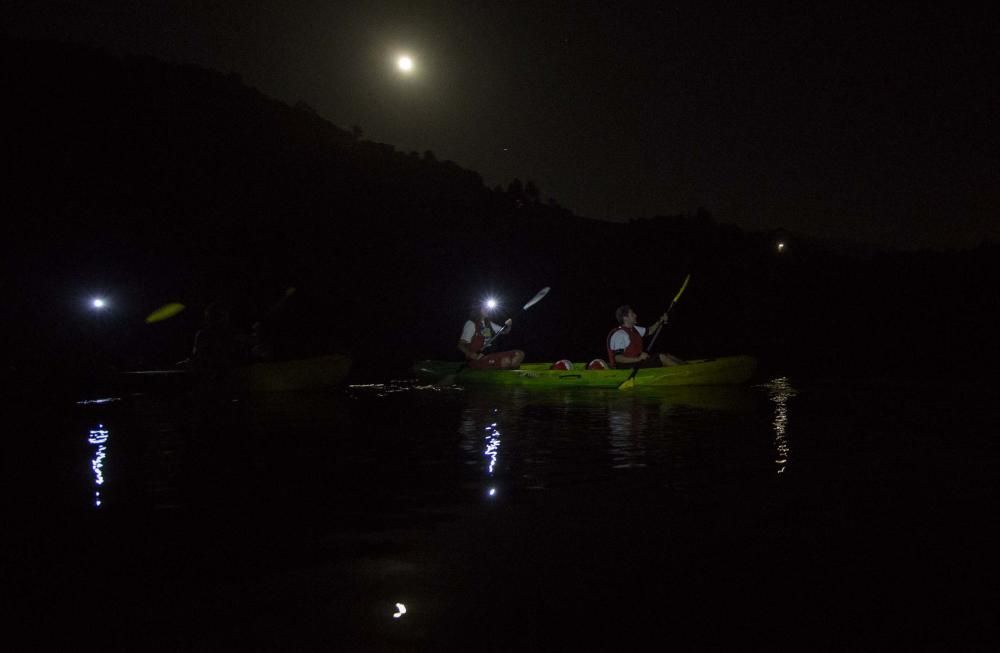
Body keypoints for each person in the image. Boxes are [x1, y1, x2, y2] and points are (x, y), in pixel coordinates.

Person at [607, 304, 685, 368]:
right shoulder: (620, 334)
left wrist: (660, 321)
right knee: (661, 357)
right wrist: (638, 358)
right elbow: (618, 358)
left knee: (667, 355)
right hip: (626, 367)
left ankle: (687, 366)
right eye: (632, 314)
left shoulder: (634, 329)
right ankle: (684, 372)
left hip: (637, 362)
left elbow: (650, 331)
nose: (635, 315)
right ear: (625, 318)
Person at [458, 302, 525, 369]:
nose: (488, 310)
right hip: (477, 358)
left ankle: (510, 367)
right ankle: (472, 366)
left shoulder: (488, 324)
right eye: (485, 308)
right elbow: (461, 345)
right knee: (506, 361)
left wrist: (509, 325)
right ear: (478, 309)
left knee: (520, 354)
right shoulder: (471, 324)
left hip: (490, 355)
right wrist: (470, 354)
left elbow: (505, 331)